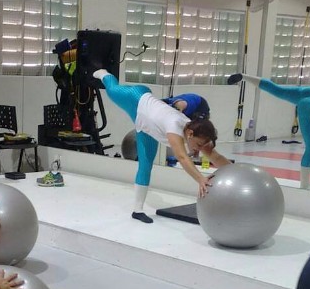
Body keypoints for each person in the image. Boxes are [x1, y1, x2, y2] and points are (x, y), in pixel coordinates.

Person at [94, 69, 231, 223]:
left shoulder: (196, 133)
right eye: (199, 145)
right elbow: (182, 157)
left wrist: (234, 170)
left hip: (146, 128)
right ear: (190, 134)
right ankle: (104, 73)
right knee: (112, 91)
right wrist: (200, 179)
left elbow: (215, 156)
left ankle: (137, 211)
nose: (200, 149)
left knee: (145, 165)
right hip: (136, 97)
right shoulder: (174, 125)